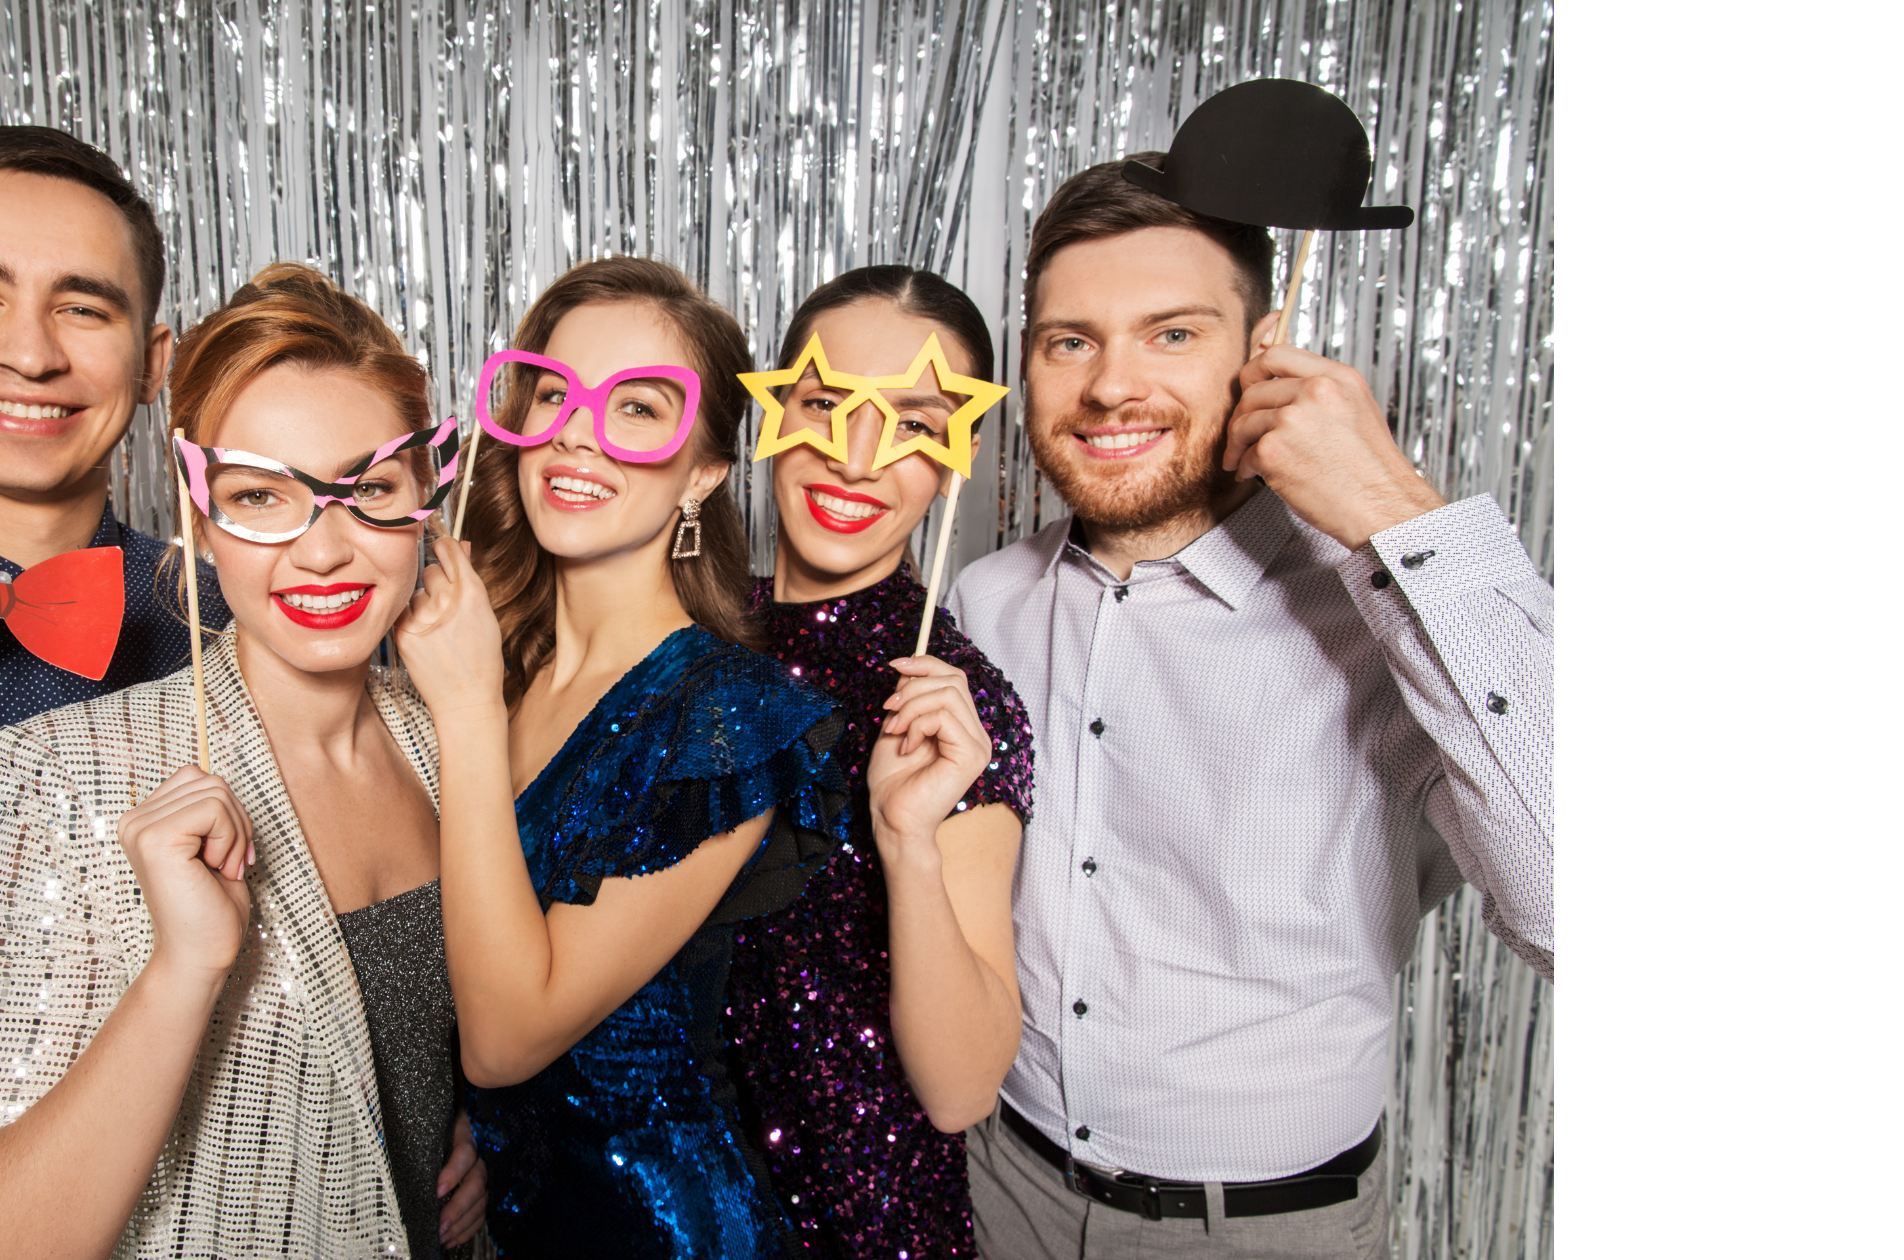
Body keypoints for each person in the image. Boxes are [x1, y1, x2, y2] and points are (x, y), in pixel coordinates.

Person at [948, 156, 1554, 1259]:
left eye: (1172, 334)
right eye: (1070, 341)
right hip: (1000, 1188)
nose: (1110, 387)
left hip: (1269, 1230)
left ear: (1264, 351)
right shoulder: (984, 602)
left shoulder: (1389, 617)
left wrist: (1392, 513)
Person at [0, 263, 481, 1258]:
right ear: (199, 521)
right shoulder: (67, 772)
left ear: (425, 495)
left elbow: (427, 1048)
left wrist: (477, 1135)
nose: (323, 551)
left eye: (370, 488)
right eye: (260, 496)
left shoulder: (448, 734)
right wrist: (183, 970)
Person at [394, 256, 849, 1259]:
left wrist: (465, 710)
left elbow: (509, 1040)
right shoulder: (499, 663)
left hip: (658, 1234)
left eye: (637, 407)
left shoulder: (724, 718)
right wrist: (463, 1126)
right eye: (553, 393)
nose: (576, 431)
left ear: (704, 473)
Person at [722, 266, 1034, 1259]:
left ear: (954, 458)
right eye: (825, 405)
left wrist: (907, 840)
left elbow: (960, 1091)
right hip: (655, 1203)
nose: (855, 460)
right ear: (775, 412)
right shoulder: (684, 634)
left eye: (911, 423)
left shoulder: (950, 709)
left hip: (860, 1226)